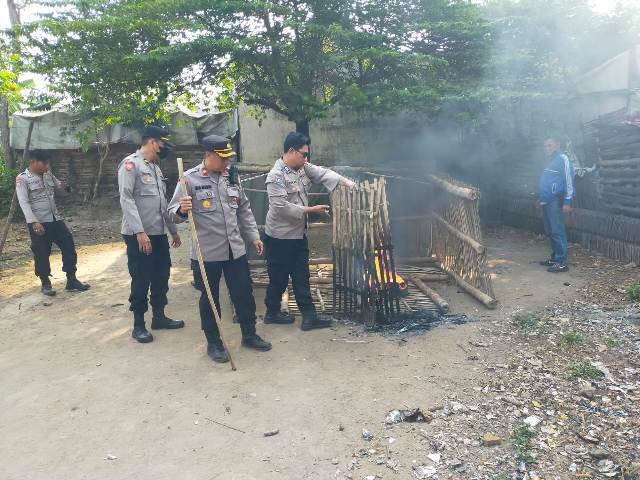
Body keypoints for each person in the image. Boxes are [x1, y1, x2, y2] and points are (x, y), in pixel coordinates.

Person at [168, 134, 271, 363]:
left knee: (244, 294)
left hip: (235, 250)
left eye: (228, 158)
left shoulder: (231, 177)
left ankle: (249, 334)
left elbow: (244, 209)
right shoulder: (189, 180)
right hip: (207, 254)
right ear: (209, 155)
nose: (227, 163)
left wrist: (253, 236)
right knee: (210, 298)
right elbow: (171, 215)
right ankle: (214, 343)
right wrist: (182, 210)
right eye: (222, 158)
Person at [264, 131, 355, 330]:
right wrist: (311, 210)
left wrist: (346, 182)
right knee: (278, 278)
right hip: (279, 237)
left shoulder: (302, 167)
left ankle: (309, 316)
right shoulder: (275, 176)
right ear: (291, 151)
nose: (306, 158)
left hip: (298, 235)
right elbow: (281, 207)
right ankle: (271, 313)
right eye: (303, 154)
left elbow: (323, 173)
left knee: (301, 275)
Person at [118, 125, 183, 344]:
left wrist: (173, 230)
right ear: (154, 142)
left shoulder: (155, 169)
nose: (165, 149)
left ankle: (159, 316)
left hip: (157, 233)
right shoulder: (130, 165)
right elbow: (126, 199)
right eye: (163, 144)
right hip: (138, 234)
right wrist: (139, 232)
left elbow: (162, 203)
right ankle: (139, 325)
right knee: (141, 278)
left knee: (161, 275)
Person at [15, 149, 90, 296]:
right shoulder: (22, 179)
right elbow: (24, 203)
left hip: (55, 219)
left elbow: (58, 184)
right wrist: (33, 222)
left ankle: (71, 279)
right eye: (44, 163)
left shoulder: (48, 174)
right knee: (41, 252)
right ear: (33, 162)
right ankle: (45, 283)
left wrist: (67, 188)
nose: (47, 166)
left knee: (68, 244)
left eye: (48, 163)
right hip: (39, 223)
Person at [539, 136, 575, 273]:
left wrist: (567, 201)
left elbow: (569, 181)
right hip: (546, 200)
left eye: (549, 145)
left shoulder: (563, 159)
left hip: (556, 201)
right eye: (545, 146)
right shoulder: (550, 160)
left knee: (557, 231)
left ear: (558, 144)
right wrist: (541, 198)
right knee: (550, 231)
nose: (546, 148)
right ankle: (555, 258)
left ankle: (561, 262)